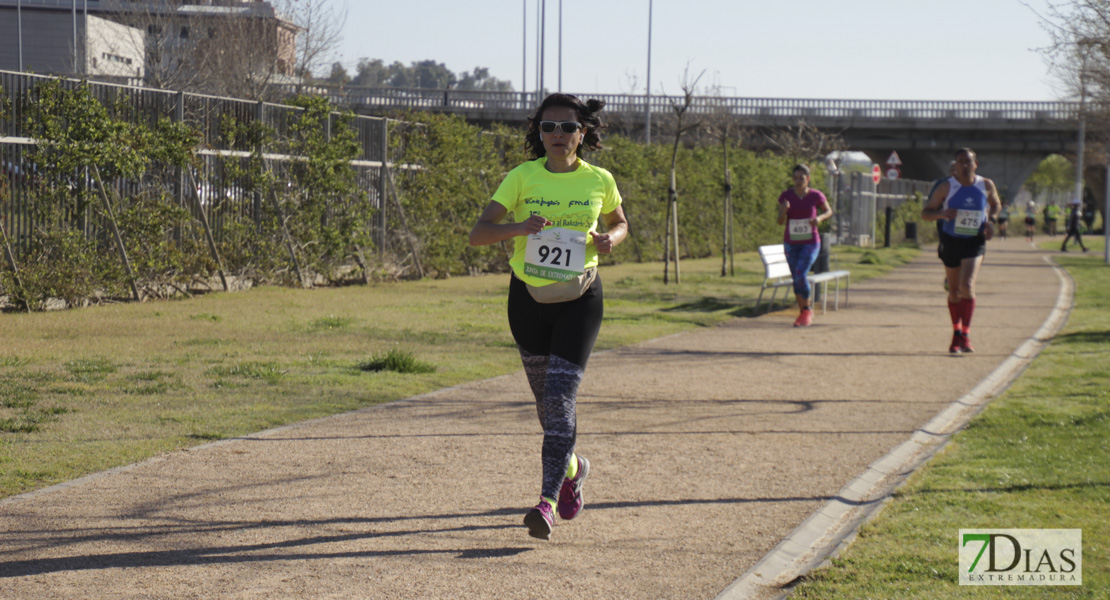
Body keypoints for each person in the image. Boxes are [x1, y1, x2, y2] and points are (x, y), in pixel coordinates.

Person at [468, 93, 628, 541]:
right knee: (548, 410)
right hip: (528, 300)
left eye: (566, 127)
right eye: (548, 127)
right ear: (538, 133)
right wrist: (519, 227)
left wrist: (610, 239)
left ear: (583, 133)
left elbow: (620, 222)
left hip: (580, 299)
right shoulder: (521, 177)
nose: (557, 135)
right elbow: (478, 233)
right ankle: (575, 469)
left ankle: (547, 502)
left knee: (559, 400)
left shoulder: (600, 180)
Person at [921, 148, 1001, 354]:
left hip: (975, 240)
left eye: (968, 161)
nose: (965, 165)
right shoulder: (946, 187)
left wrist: (991, 219)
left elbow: (996, 204)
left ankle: (965, 334)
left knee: (967, 285)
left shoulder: (986, 184)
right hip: (951, 240)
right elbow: (926, 213)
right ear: (955, 166)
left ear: (976, 164)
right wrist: (942, 214)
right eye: (960, 162)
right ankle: (956, 332)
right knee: (954, 290)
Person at [776, 164, 833, 327]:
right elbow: (780, 221)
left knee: (801, 274)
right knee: (796, 279)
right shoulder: (786, 196)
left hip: (810, 242)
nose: (798, 181)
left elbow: (829, 211)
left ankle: (807, 310)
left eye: (802, 178)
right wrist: (783, 211)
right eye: (795, 178)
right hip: (791, 243)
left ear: (808, 179)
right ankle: (803, 314)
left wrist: (819, 219)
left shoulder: (816, 195)